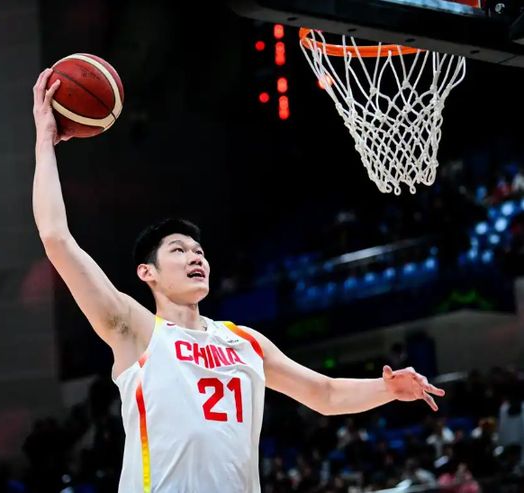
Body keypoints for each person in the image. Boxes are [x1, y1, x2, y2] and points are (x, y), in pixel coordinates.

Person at [32, 68, 445, 492]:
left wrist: (386, 389)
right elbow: (56, 238)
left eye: (199, 251)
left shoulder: (245, 342)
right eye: (179, 250)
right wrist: (45, 140)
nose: (196, 257)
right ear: (147, 273)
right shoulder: (136, 331)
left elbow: (324, 394)